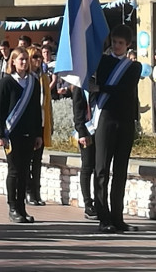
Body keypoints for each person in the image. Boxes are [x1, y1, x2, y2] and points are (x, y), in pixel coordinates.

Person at [90, 25, 143, 233]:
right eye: (114, 42)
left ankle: (118, 218)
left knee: (120, 170)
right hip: (106, 119)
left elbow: (124, 89)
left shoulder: (134, 67)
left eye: (121, 43)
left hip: (125, 120)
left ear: (128, 45)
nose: (117, 46)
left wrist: (101, 88)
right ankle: (104, 218)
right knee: (102, 169)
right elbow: (93, 81)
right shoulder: (102, 61)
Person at [0, 47, 42, 223]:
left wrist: (38, 134)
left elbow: (37, 109)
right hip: (11, 134)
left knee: (24, 172)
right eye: (20, 59)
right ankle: (13, 207)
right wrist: (0, 134)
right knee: (14, 171)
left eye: (25, 59)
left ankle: (22, 207)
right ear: (12, 62)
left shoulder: (33, 82)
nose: (23, 62)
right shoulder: (6, 82)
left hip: (29, 134)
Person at [26, 46, 51, 206]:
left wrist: (50, 123)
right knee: (26, 160)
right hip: (28, 125)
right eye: (34, 57)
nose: (38, 60)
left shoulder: (44, 78)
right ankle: (28, 191)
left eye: (39, 57)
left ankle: (36, 191)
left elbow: (47, 103)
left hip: (41, 123)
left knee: (37, 160)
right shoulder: (26, 78)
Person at [70, 83, 97, 220]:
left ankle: (100, 202)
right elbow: (78, 112)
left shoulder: (99, 83)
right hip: (86, 132)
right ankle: (88, 204)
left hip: (99, 131)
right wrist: (81, 132)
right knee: (87, 167)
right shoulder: (79, 87)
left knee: (99, 167)